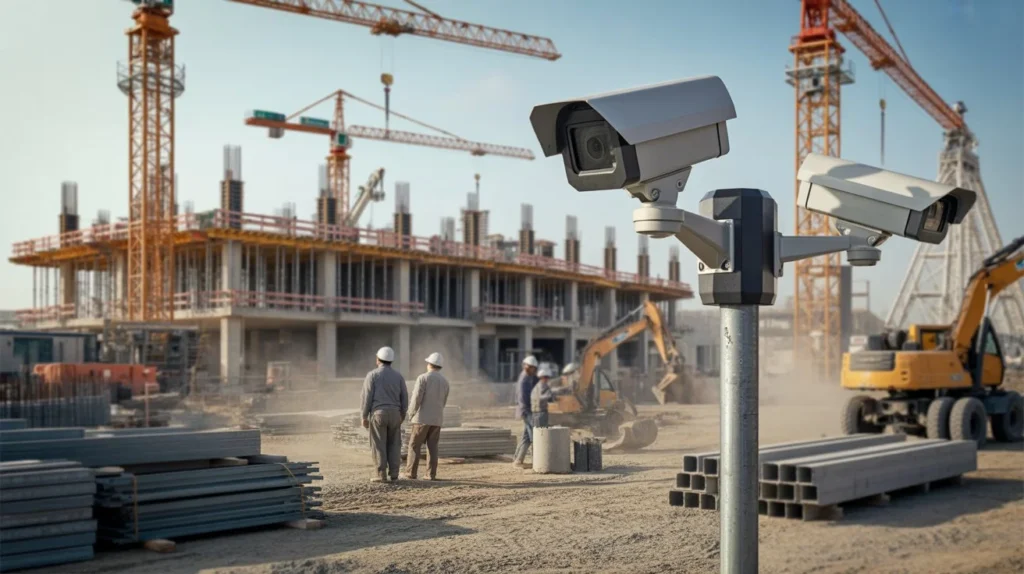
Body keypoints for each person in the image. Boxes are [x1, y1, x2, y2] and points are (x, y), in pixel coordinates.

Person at [360, 346, 408, 483]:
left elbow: (366, 397)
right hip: (395, 414)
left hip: (378, 414)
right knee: (394, 444)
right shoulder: (398, 376)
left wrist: (363, 416)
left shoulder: (372, 375)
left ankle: (381, 475)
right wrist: (402, 414)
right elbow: (404, 397)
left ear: (378, 359)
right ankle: (394, 474)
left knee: (379, 444)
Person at [401, 352, 450, 481]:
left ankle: (411, 473)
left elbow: (416, 398)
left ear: (429, 364)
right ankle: (431, 474)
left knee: (414, 445)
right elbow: (444, 401)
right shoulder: (445, 382)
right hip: (437, 419)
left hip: (422, 419)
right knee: (432, 447)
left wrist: (410, 414)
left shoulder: (423, 378)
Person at [511, 355, 539, 468]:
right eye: (531, 367)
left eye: (534, 368)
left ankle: (517, 459)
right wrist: (530, 410)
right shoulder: (524, 379)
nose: (533, 369)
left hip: (527, 410)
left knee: (526, 436)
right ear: (526, 366)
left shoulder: (529, 377)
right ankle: (539, 460)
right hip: (526, 410)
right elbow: (523, 398)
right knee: (535, 435)